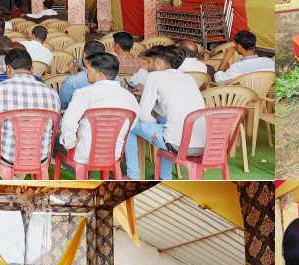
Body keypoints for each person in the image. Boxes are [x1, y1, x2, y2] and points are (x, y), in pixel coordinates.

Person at [128, 46, 207, 179]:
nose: (148, 67)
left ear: (158, 62)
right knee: (167, 127)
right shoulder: (188, 78)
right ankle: (163, 177)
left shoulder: (154, 76)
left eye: (149, 62)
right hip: (204, 145)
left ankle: (133, 175)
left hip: (178, 145)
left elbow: (143, 116)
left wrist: (154, 124)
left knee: (130, 124)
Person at [0, 48, 61, 164]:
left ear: (8, 68)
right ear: (32, 69)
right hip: (40, 156)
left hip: (7, 156)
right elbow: (54, 127)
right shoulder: (52, 93)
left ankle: (9, 174)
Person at [59, 52, 139, 169]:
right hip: (114, 154)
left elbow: (68, 123)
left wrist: (70, 143)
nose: (87, 74)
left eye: (90, 71)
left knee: (57, 139)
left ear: (100, 74)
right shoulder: (130, 97)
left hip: (84, 154)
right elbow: (131, 125)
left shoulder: (83, 93)